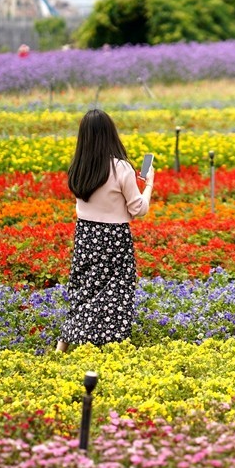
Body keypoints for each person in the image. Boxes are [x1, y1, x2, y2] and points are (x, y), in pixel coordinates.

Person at [57, 109, 154, 353]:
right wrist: (149, 184)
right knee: (115, 292)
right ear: (110, 133)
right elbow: (139, 209)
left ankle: (63, 345)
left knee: (83, 289)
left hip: (86, 236)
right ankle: (110, 346)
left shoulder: (79, 166)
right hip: (114, 238)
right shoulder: (121, 168)